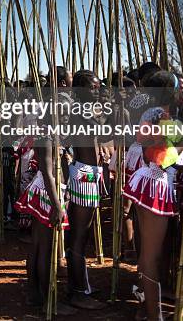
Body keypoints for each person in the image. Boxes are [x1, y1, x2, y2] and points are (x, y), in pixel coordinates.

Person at [123, 70, 183, 321]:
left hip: (149, 181)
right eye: (178, 87)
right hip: (155, 182)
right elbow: (159, 158)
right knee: (151, 255)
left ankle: (145, 309)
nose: (182, 91)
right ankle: (153, 314)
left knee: (148, 254)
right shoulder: (160, 114)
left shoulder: (155, 113)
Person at [15, 91, 75, 315]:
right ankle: (47, 298)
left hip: (49, 192)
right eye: (65, 112)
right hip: (48, 193)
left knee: (40, 245)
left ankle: (36, 293)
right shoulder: (47, 135)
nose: (68, 116)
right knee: (45, 247)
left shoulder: (52, 132)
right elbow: (48, 172)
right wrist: (57, 204)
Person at [66, 69, 106, 310]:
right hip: (85, 175)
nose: (98, 91)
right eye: (93, 87)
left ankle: (81, 285)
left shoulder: (85, 113)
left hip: (88, 173)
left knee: (83, 234)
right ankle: (78, 291)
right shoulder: (79, 114)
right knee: (79, 235)